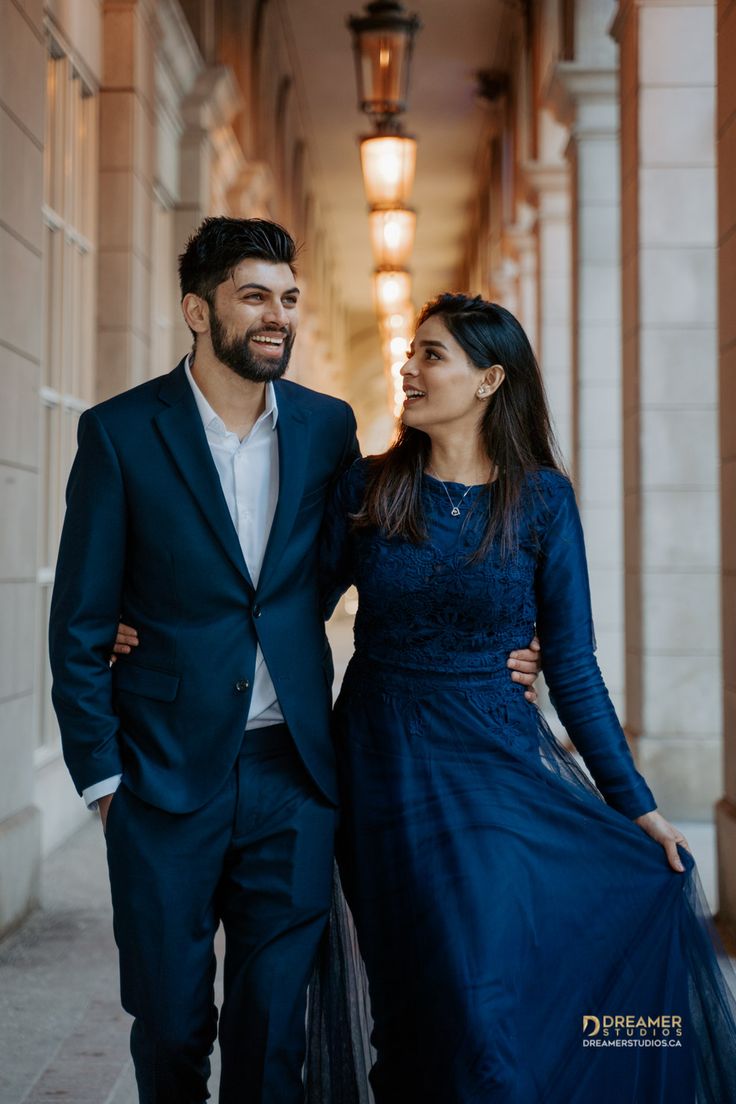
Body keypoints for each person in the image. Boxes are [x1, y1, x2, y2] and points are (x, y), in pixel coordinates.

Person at [49, 219, 541, 1104]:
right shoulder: (119, 434)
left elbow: (367, 562)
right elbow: (79, 621)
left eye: (288, 299)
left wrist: (497, 632)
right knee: (167, 1028)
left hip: (295, 770)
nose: (277, 316)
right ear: (198, 311)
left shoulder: (325, 428)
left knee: (274, 1034)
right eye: (254, 297)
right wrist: (102, 777)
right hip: (160, 773)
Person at [313, 294, 736, 1103]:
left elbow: (573, 666)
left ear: (489, 380)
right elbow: (289, 608)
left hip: (495, 771)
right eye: (412, 353)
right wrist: (157, 621)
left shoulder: (541, 501)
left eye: (431, 355)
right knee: (414, 1012)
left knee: (482, 1006)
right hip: (380, 775)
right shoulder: (369, 489)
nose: (408, 369)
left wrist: (636, 803)